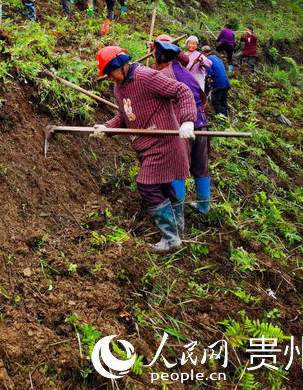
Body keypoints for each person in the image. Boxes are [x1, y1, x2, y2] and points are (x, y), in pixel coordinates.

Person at [93, 46, 197, 252]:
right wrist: (107, 128)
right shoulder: (119, 87)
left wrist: (187, 122)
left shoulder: (146, 77)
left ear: (121, 66)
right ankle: (177, 232)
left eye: (110, 73)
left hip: (164, 143)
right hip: (146, 145)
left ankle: (170, 238)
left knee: (147, 186)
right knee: (164, 187)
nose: (109, 78)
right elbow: (125, 116)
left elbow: (182, 91)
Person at [153, 40, 211, 216]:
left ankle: (176, 212)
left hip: (182, 126)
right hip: (201, 123)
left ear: (161, 56)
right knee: (201, 166)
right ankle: (203, 207)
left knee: (177, 168)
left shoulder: (164, 75)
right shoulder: (183, 69)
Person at [203, 46, 230, 116]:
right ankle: (227, 116)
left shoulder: (208, 59)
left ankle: (220, 117)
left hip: (218, 83)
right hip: (226, 82)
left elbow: (209, 72)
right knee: (224, 101)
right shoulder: (219, 59)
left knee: (216, 101)